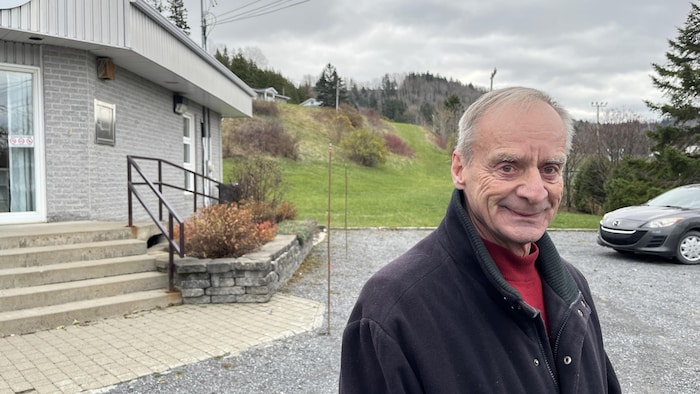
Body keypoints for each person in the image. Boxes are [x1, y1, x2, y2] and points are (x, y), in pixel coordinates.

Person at [339, 87, 621, 393]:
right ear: (460, 169)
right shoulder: (394, 310)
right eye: (508, 167)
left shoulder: (573, 287)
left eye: (549, 169)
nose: (535, 191)